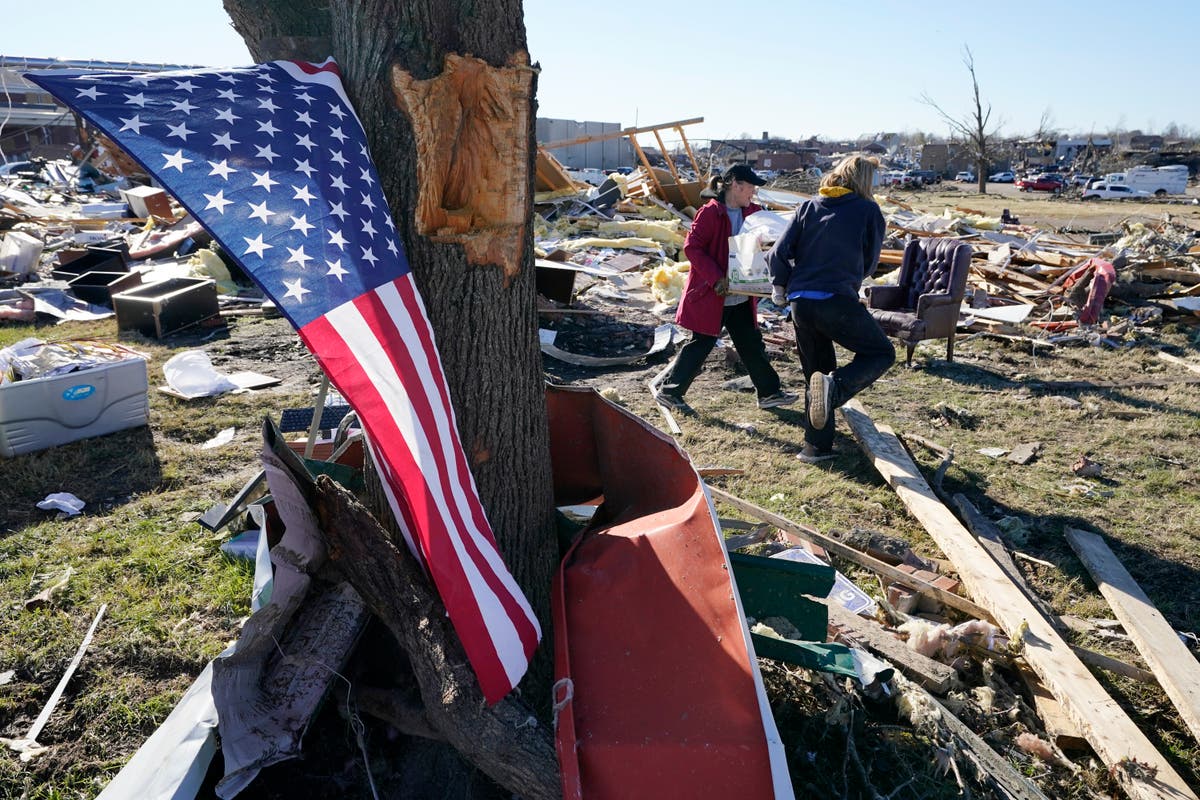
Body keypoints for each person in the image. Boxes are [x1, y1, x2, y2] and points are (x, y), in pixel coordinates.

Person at [765, 155, 895, 463]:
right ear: (865, 180)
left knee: (816, 373)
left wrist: (779, 287)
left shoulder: (809, 207)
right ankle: (835, 388)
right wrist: (852, 274)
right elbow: (869, 262)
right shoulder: (868, 210)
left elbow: (778, 253)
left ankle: (815, 447)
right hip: (835, 300)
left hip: (800, 303)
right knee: (880, 353)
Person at [655, 164, 797, 412]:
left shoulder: (753, 213)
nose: (753, 193)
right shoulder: (710, 213)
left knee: (751, 344)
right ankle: (670, 392)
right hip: (714, 294)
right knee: (702, 343)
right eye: (750, 187)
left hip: (741, 295)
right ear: (735, 185)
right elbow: (692, 248)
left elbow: (768, 240)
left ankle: (769, 393)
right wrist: (717, 278)